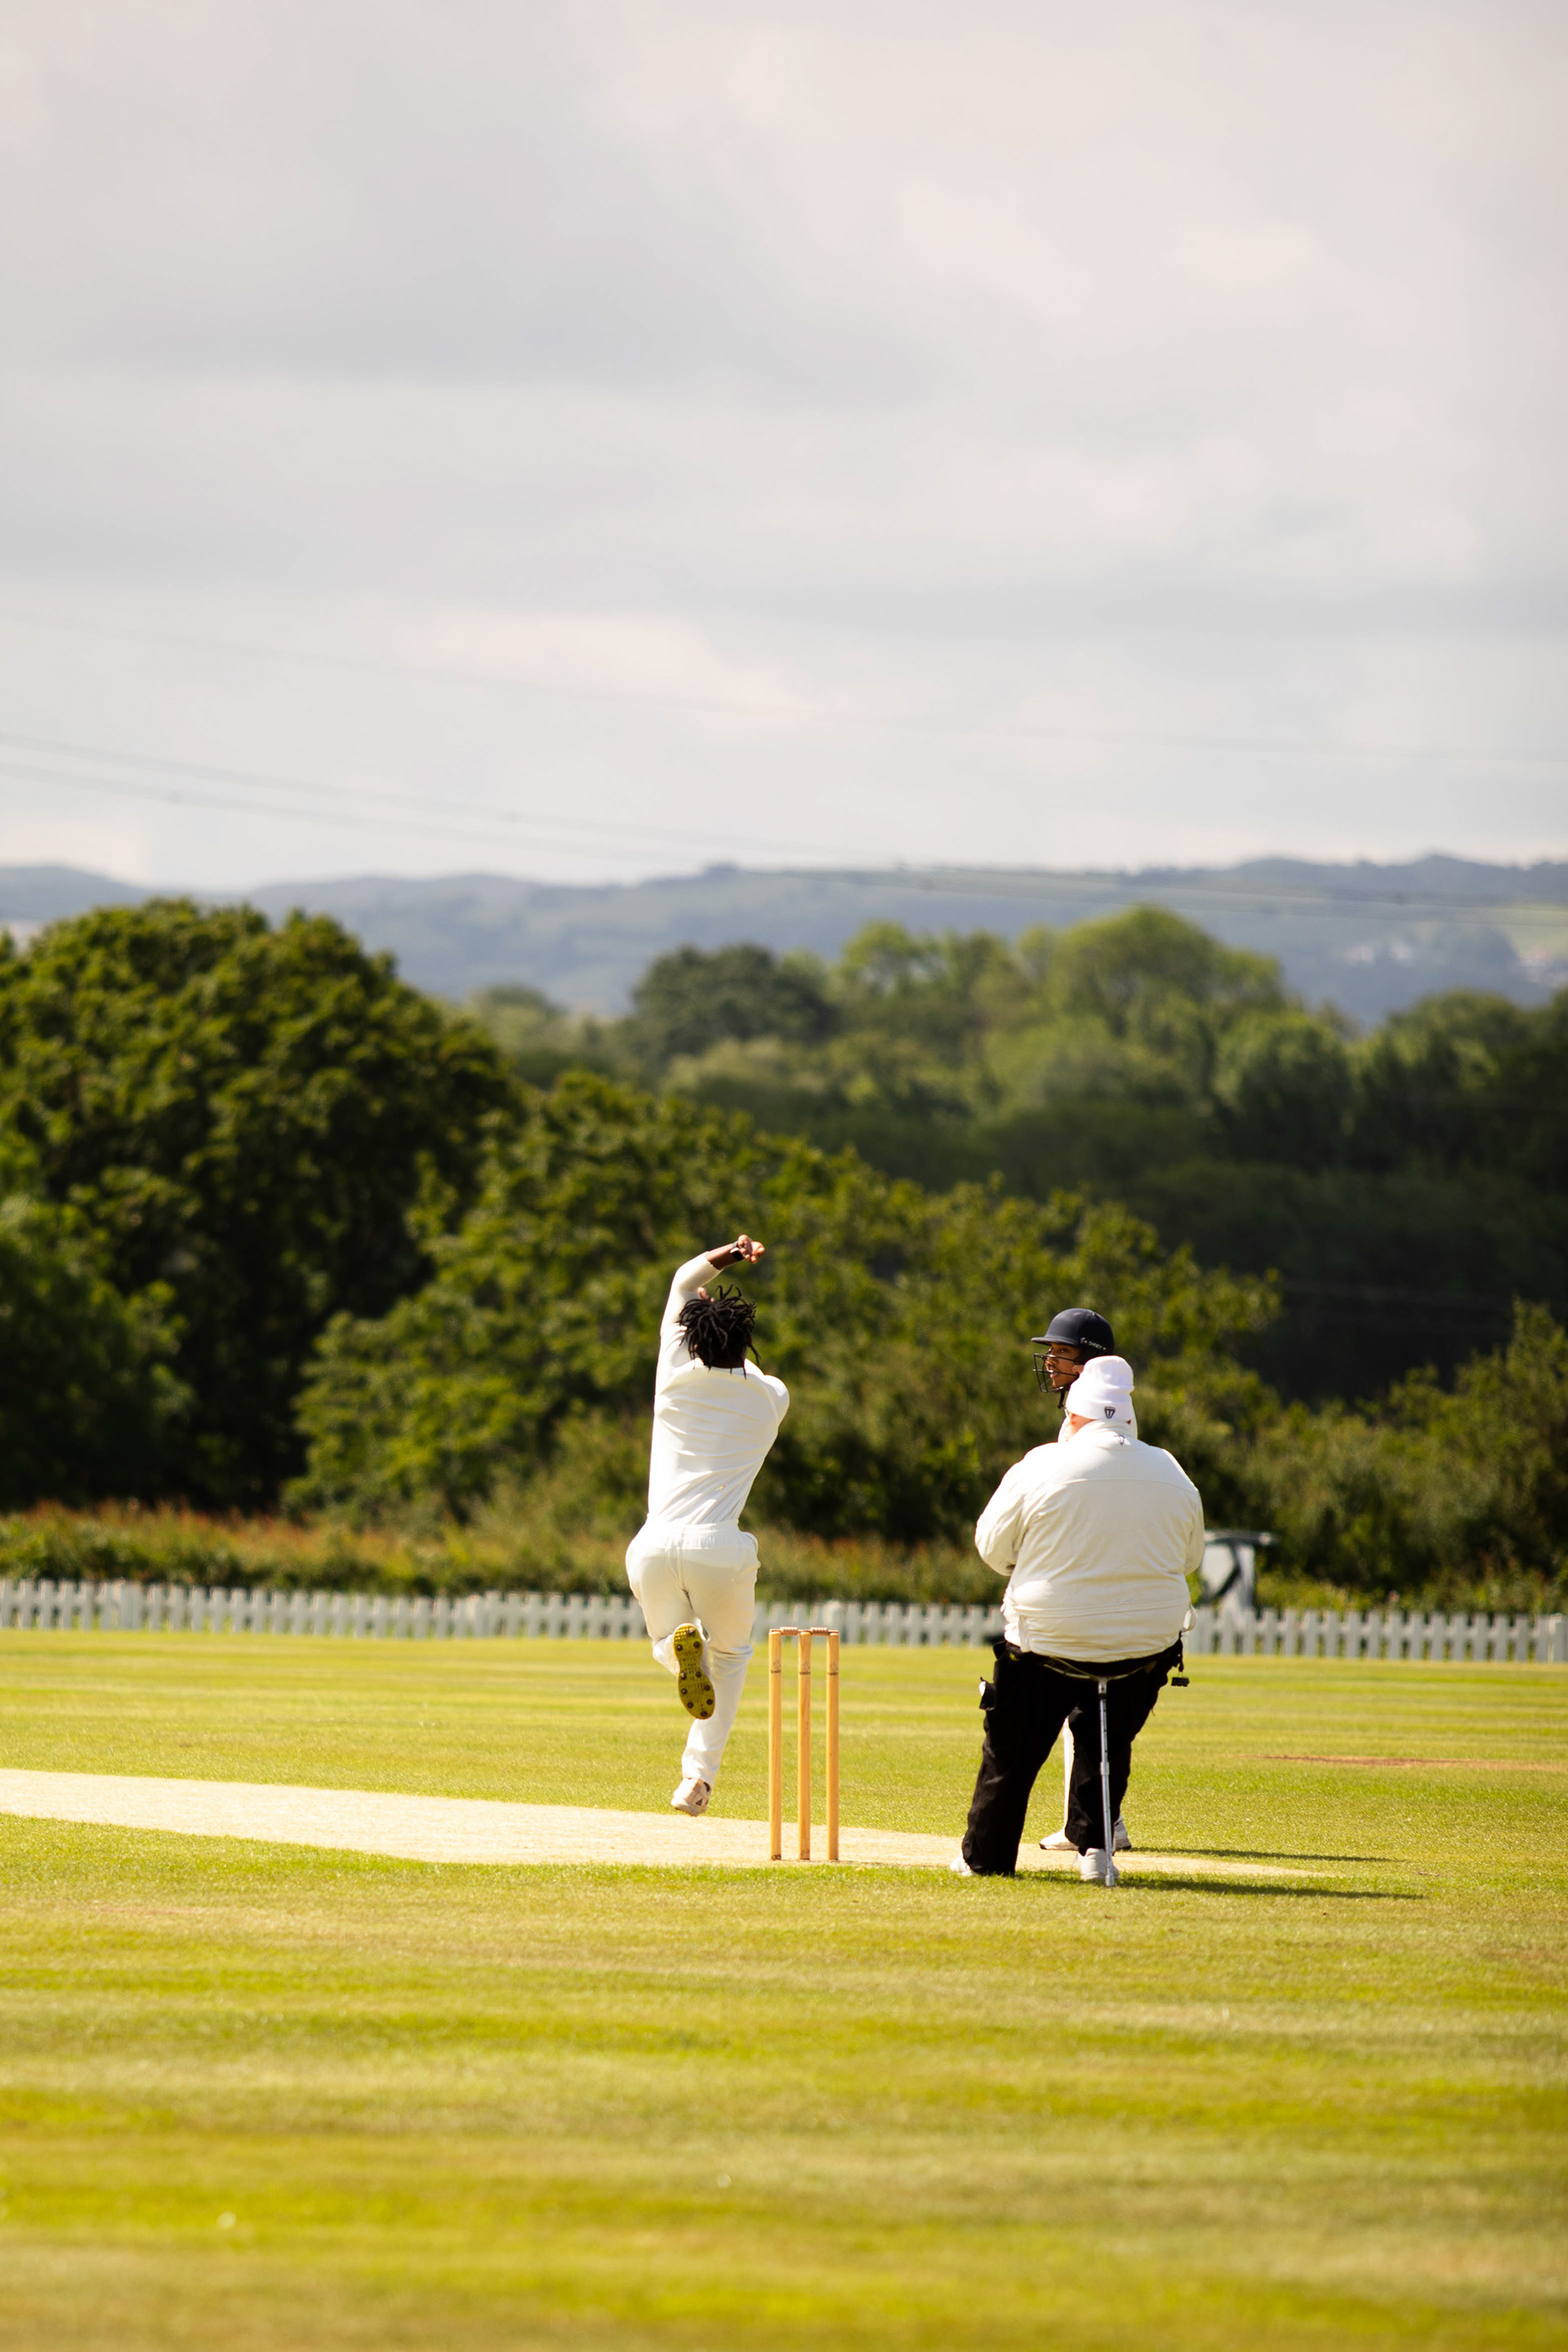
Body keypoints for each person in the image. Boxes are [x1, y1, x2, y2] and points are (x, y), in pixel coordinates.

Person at [952, 1353, 1203, 1883]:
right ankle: (1095, 1849)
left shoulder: (1042, 1462)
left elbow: (992, 1549)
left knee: (1013, 1746)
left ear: (1074, 1417)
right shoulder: (1171, 1469)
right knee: (1107, 1731)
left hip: (1050, 1640)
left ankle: (986, 1858)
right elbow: (1189, 1559)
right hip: (1145, 1648)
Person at [626, 1234, 789, 1817]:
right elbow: (747, 1365)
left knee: (673, 1651)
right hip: (720, 1546)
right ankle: (696, 1781)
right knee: (734, 1655)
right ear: (745, 1343)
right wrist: (722, 1323)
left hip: (652, 1545)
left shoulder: (672, 1378)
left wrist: (731, 1252)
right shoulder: (771, 1397)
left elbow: (679, 1278)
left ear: (689, 1338)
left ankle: (677, 1652)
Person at [1031, 1307, 1135, 1853]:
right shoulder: (1093, 1413)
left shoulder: (1100, 1419)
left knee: (1087, 1708)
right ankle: (1099, 1822)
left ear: (1091, 1362)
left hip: (1097, 1580)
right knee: (1088, 1709)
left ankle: (1098, 1825)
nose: (1051, 1361)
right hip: (1098, 1576)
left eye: (1063, 1353)